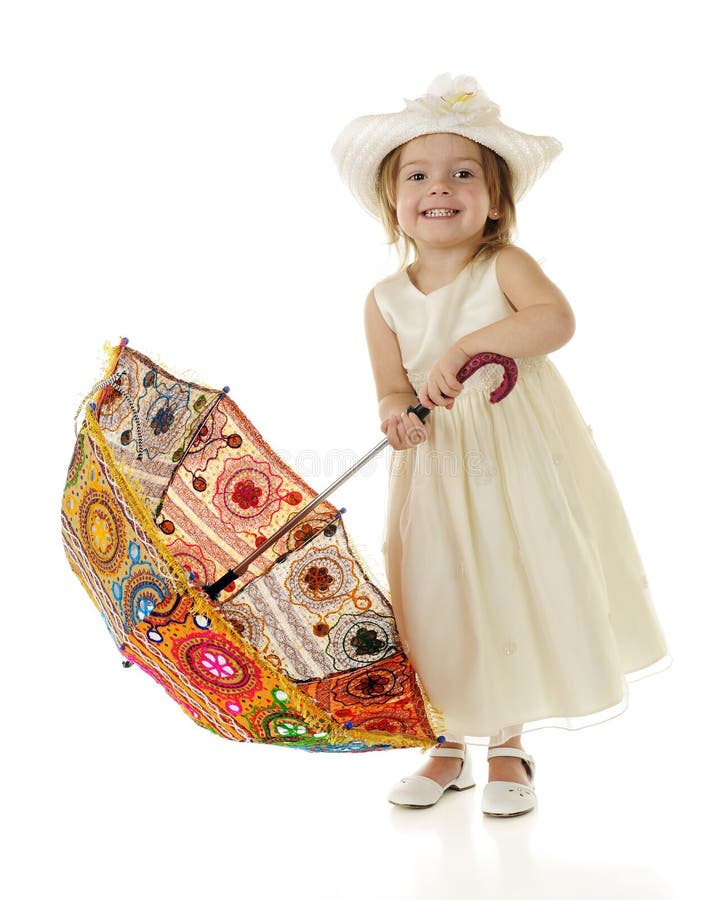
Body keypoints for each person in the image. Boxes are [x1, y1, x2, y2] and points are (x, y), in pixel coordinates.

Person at [331, 73, 672, 816]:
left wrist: (471, 345)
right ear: (394, 202)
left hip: (514, 467)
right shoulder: (383, 300)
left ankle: (509, 744)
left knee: (511, 578)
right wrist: (397, 414)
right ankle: (447, 744)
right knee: (436, 592)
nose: (439, 187)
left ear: (495, 202)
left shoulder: (504, 267)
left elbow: (554, 322)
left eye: (463, 174)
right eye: (418, 175)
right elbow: (390, 387)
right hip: (438, 470)